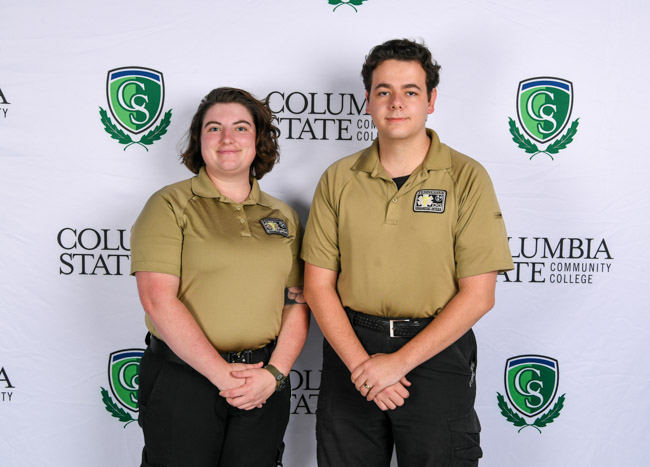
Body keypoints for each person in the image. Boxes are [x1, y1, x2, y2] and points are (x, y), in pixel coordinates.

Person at [301, 39, 514, 466]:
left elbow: (479, 294)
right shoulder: (338, 178)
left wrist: (396, 364)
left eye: (411, 91)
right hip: (351, 352)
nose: (396, 103)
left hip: (434, 351)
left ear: (431, 100)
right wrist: (365, 366)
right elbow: (317, 285)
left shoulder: (467, 177)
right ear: (368, 101)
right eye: (384, 91)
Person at [130, 87, 309, 467]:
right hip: (185, 378)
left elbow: (297, 301)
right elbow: (158, 300)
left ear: (258, 140)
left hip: (262, 381)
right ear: (199, 140)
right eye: (214, 128)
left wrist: (274, 374)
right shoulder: (168, 205)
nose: (227, 138)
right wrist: (223, 377)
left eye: (240, 128)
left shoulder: (284, 215)